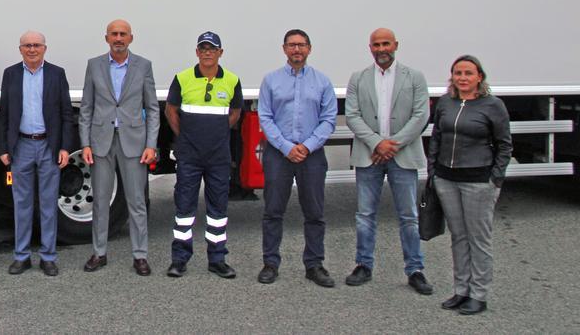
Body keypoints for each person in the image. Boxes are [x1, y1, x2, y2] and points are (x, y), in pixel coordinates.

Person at [343, 28, 433, 294]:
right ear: (369, 47)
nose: (381, 48)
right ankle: (363, 264)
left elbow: (420, 116)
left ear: (396, 45)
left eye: (386, 43)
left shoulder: (414, 77)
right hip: (369, 155)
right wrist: (376, 143)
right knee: (365, 215)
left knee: (408, 216)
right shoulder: (358, 78)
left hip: (401, 155)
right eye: (376, 44)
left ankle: (415, 269)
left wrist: (392, 145)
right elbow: (352, 115)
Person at [428, 55, 512, 316]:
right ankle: (461, 290)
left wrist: (495, 178)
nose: (462, 78)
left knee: (479, 239)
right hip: (447, 179)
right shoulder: (446, 103)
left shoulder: (492, 105)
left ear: (479, 77)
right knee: (458, 237)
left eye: (468, 73)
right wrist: (433, 172)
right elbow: (436, 138)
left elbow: (505, 145)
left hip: (478, 181)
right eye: (457, 73)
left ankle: (479, 294)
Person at [256, 29, 337, 287]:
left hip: (311, 155)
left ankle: (314, 265)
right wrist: (285, 146)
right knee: (273, 211)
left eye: (301, 45)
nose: (297, 50)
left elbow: (328, 120)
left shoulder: (323, 82)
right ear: (284, 49)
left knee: (314, 212)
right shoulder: (271, 81)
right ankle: (270, 263)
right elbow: (265, 117)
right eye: (292, 45)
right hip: (279, 154)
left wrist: (307, 146)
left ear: (309, 49)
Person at [78, 19, 158, 276]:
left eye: (123, 34)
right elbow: (87, 108)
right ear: (106, 38)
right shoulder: (94, 65)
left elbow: (152, 108)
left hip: (133, 142)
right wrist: (85, 143)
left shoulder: (143, 66)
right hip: (101, 142)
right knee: (101, 201)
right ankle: (99, 252)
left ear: (131, 38)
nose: (118, 38)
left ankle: (140, 255)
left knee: (136, 201)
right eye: (114, 34)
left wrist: (151, 145)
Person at [164, 31, 242, 280]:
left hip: (218, 156)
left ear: (220, 52)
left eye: (212, 49)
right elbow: (171, 111)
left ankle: (217, 259)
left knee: (218, 209)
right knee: (184, 207)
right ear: (197, 52)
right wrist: (186, 136)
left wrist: (216, 133)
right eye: (203, 48)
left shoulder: (231, 80)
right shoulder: (183, 78)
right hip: (189, 155)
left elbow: (236, 113)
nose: (208, 52)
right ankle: (179, 259)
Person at [0, 31, 74, 277]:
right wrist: (4, 148)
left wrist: (64, 147)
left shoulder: (56, 73)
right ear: (20, 49)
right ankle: (21, 256)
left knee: (49, 204)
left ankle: (48, 257)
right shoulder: (11, 74)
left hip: (48, 146)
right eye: (27, 45)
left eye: (36, 45)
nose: (32, 49)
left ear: (45, 48)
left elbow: (65, 113)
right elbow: (4, 115)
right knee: (22, 204)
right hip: (21, 147)